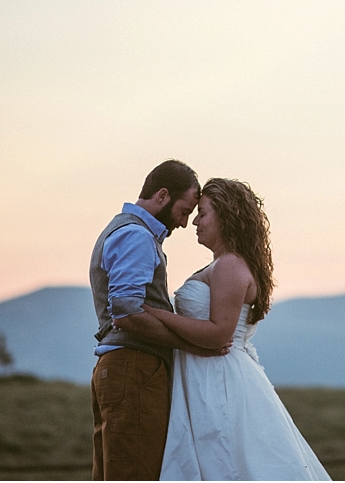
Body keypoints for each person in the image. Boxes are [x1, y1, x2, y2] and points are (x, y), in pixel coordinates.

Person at [138, 177, 331, 481]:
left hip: (218, 379)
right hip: (205, 374)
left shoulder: (229, 265)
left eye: (202, 213)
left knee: (225, 462)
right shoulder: (222, 264)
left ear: (225, 216)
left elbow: (218, 334)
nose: (194, 223)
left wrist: (155, 314)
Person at [89, 160, 228, 481]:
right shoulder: (136, 236)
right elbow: (126, 314)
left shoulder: (125, 230)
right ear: (162, 195)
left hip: (122, 368)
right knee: (136, 473)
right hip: (134, 368)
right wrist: (192, 345)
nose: (184, 223)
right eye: (183, 211)